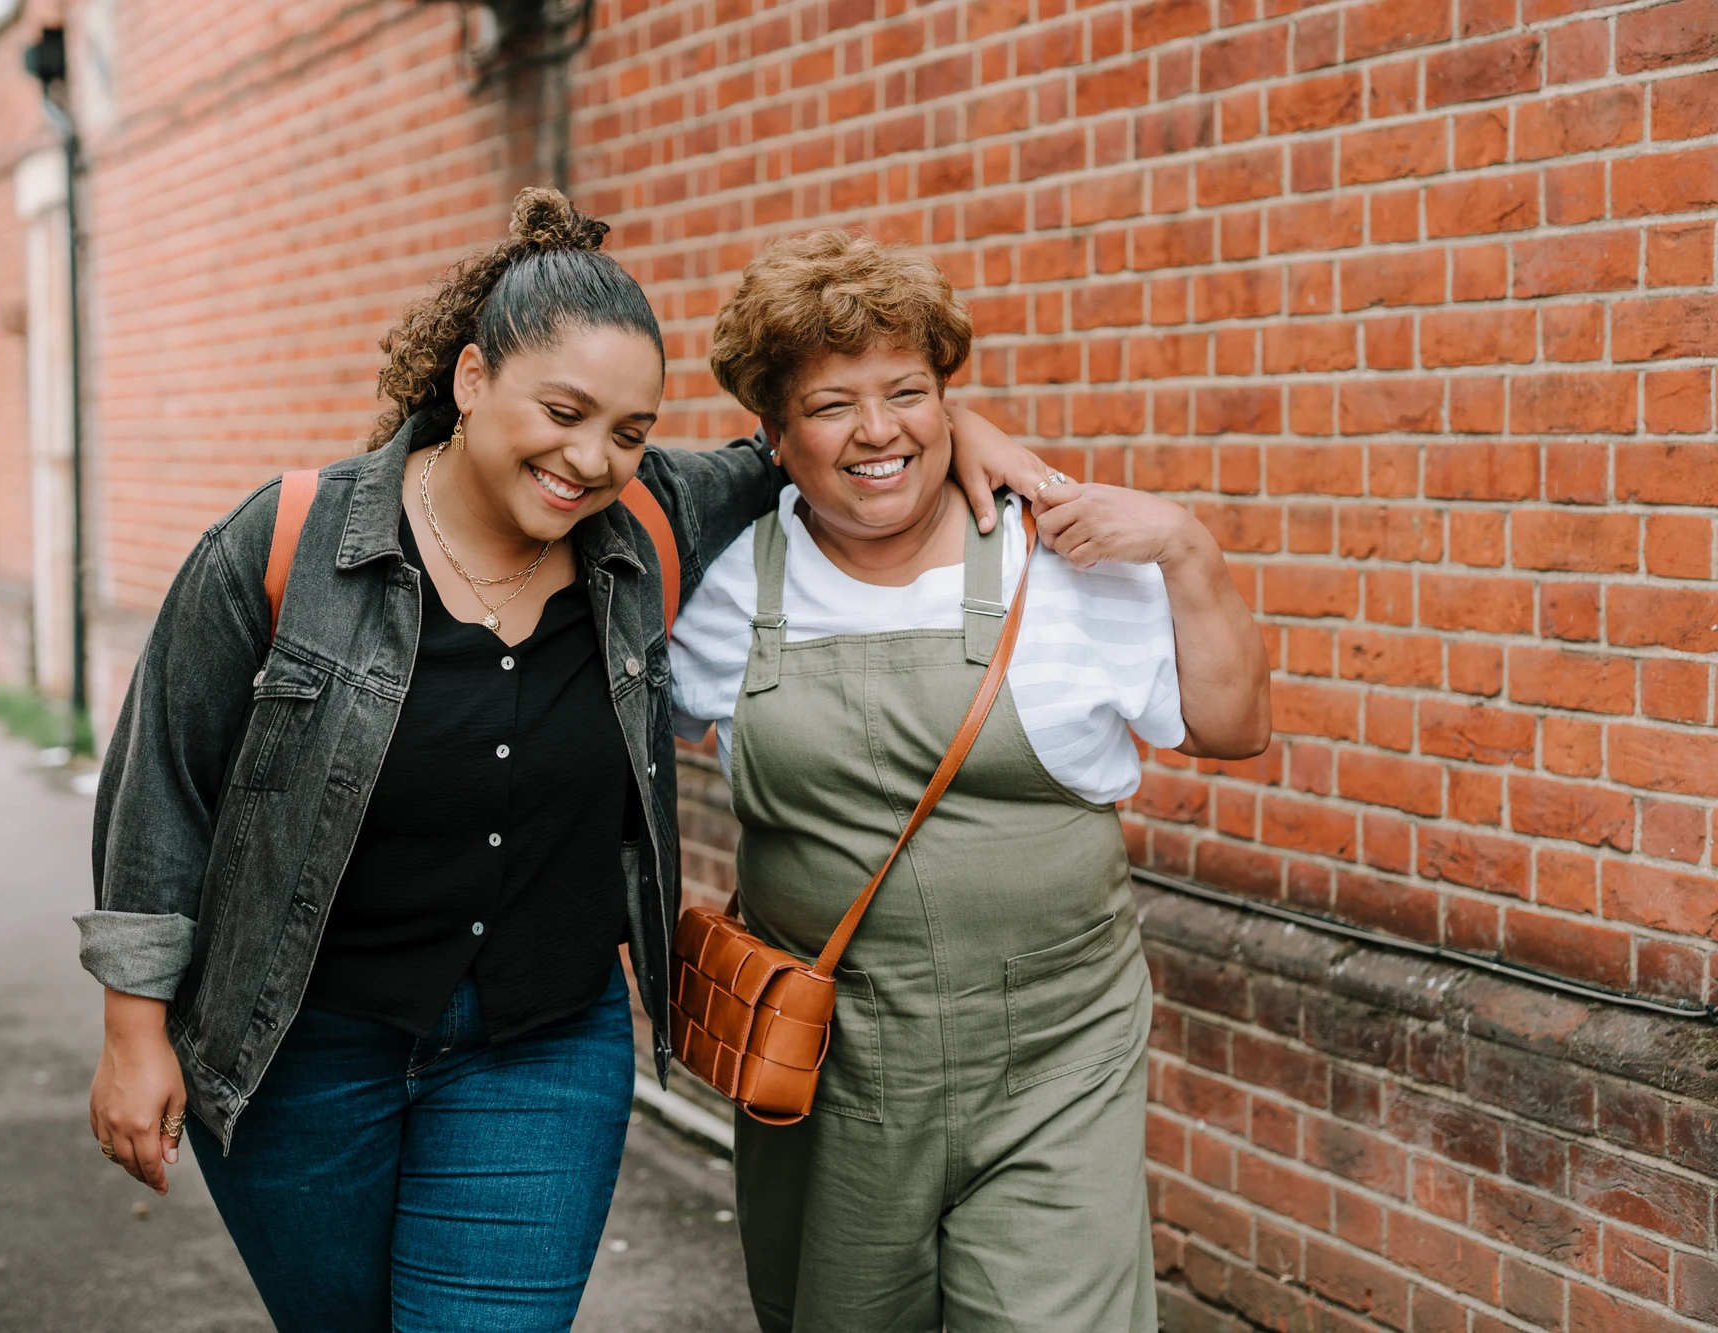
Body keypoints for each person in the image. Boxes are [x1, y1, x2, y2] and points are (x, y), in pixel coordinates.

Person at [79, 190, 1053, 1332]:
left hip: (540, 1047)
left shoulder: (643, 527)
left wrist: (962, 430)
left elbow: (801, 448)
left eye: (630, 431)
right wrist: (131, 1036)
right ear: (472, 379)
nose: (591, 458)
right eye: (564, 410)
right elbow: (159, 787)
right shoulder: (291, 538)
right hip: (303, 1051)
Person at [669, 229, 1271, 1333]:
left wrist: (1188, 547)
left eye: (907, 391)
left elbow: (1232, 727)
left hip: (1055, 1051)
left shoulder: (1064, 559)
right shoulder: (716, 587)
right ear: (772, 434)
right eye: (830, 405)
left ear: (948, 398)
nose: (878, 429)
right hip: (829, 1062)